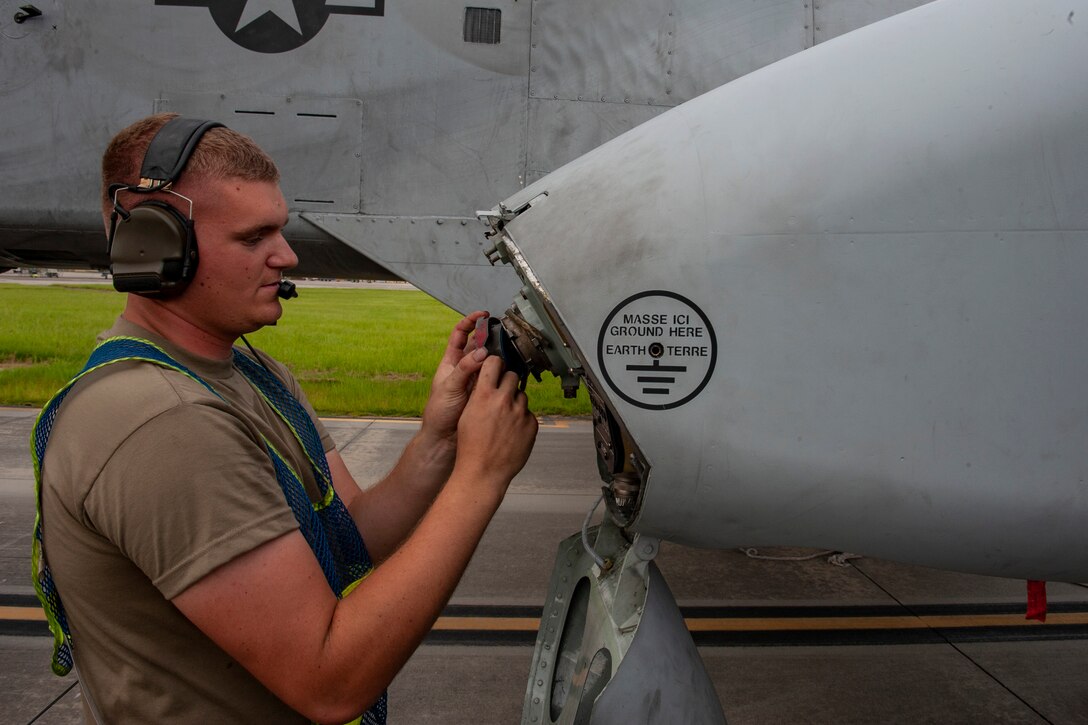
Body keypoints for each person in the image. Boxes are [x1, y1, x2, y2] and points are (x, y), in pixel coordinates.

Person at [33, 113, 538, 723]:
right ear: (155, 245)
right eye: (253, 238)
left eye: (280, 229)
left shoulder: (252, 375)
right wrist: (479, 480)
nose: (287, 255)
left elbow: (351, 538)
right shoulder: (164, 424)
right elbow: (329, 679)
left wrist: (440, 439)